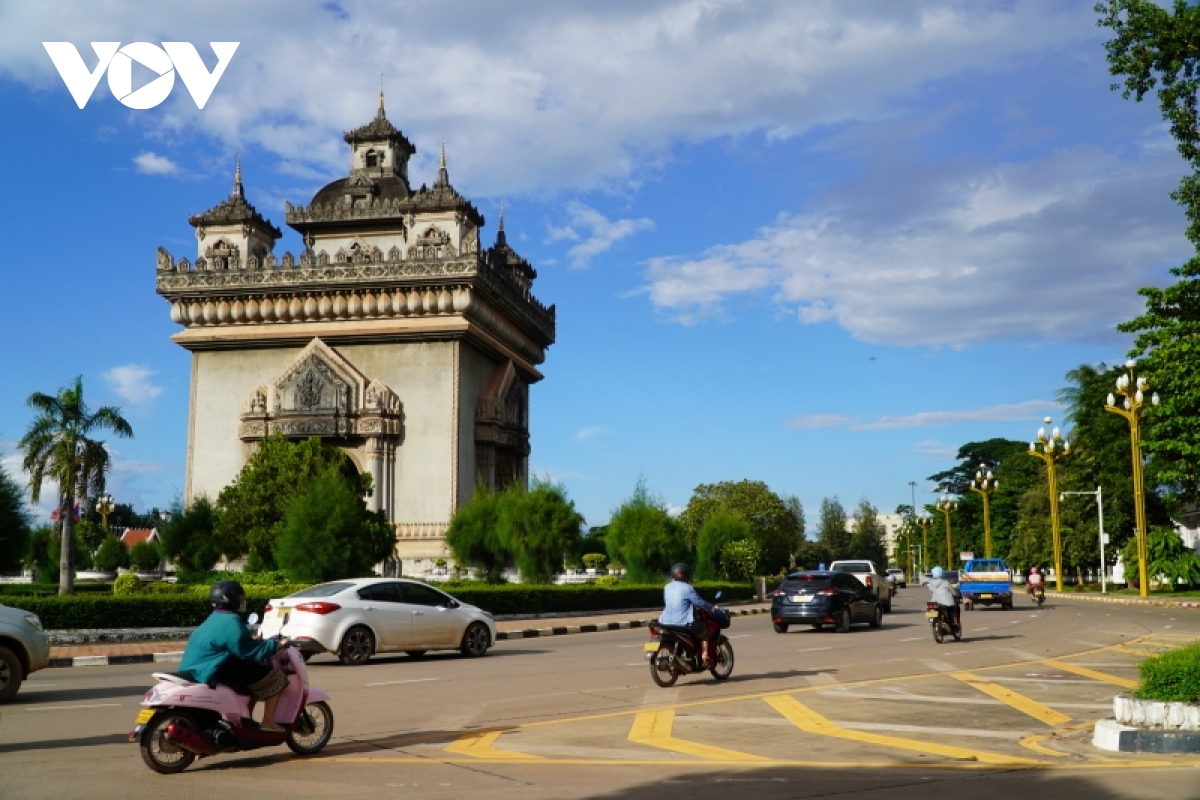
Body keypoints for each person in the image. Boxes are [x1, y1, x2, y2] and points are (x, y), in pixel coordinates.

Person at [178, 580, 290, 731]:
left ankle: (246, 719)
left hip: (199, 667)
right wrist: (277, 645)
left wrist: (254, 642)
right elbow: (246, 651)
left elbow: (235, 643)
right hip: (213, 670)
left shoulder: (213, 618)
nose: (241, 601)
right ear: (230, 600)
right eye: (239, 598)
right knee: (275, 677)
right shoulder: (232, 620)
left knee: (254, 676)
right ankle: (268, 722)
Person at [659, 563, 719, 668]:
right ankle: (705, 656)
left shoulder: (667, 587)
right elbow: (700, 603)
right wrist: (712, 608)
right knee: (703, 631)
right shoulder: (688, 588)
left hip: (665, 622)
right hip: (682, 622)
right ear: (686, 575)